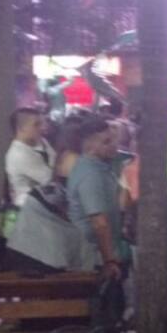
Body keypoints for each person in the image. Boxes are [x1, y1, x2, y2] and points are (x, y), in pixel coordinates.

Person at [66, 117, 127, 281]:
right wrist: (109, 260)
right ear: (89, 146)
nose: (114, 145)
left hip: (100, 253)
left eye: (114, 139)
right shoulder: (90, 174)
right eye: (106, 141)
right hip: (93, 257)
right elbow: (99, 222)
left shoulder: (102, 168)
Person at [5, 107, 55, 207]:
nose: (42, 127)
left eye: (41, 123)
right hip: (29, 210)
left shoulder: (41, 142)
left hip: (42, 205)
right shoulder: (19, 154)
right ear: (21, 128)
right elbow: (49, 178)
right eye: (36, 124)